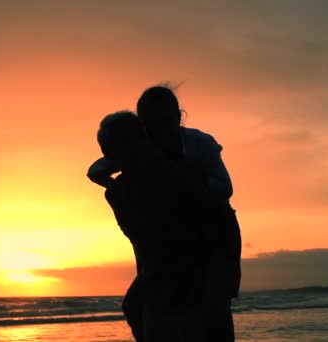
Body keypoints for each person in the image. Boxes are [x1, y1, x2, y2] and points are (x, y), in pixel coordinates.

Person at [88, 86, 241, 341]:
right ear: (142, 126)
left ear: (178, 118)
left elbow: (223, 191)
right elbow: (99, 168)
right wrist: (114, 183)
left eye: (165, 121)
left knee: (209, 313)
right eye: (149, 124)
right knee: (141, 308)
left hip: (212, 240)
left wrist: (178, 175)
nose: (158, 129)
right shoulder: (136, 154)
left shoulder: (197, 144)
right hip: (167, 257)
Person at [96, 111, 213, 341]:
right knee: (136, 309)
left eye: (135, 139)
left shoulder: (169, 170)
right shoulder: (122, 187)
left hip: (180, 271)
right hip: (160, 271)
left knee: (145, 312)